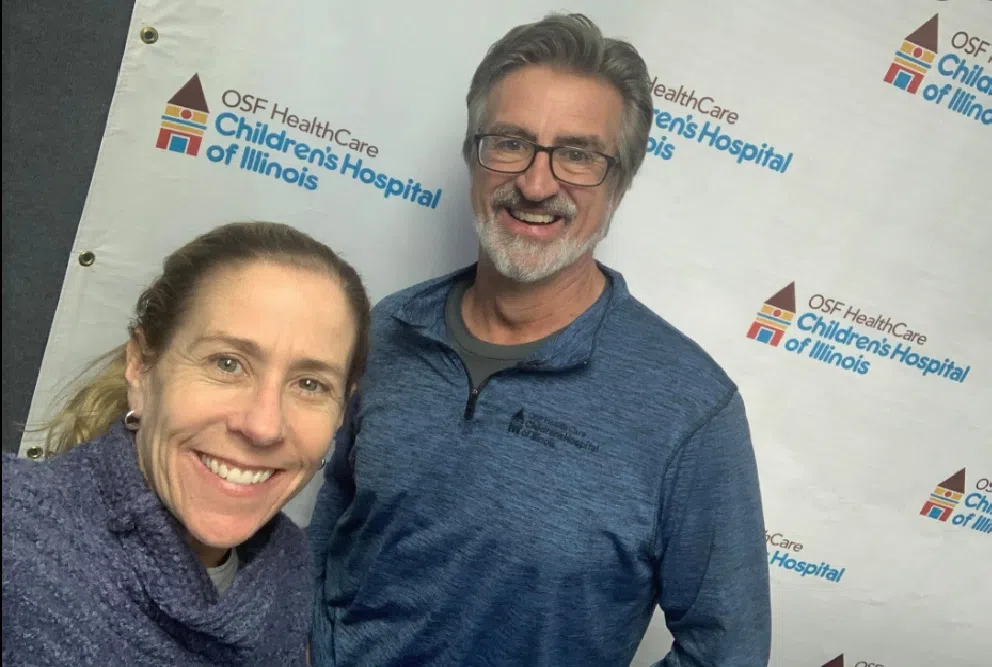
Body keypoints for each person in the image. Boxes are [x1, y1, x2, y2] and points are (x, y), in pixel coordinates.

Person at [309, 12, 771, 667]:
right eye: (510, 142)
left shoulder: (691, 410)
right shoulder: (389, 327)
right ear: (473, 155)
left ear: (620, 183)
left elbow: (727, 650)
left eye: (578, 155)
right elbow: (336, 509)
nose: (535, 183)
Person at [2, 221, 370, 666]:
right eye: (227, 363)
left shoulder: (288, 570)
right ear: (141, 366)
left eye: (310, 384)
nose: (263, 426)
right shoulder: (15, 533)